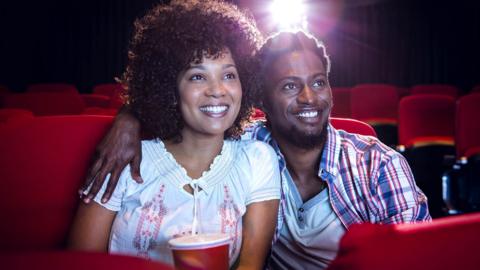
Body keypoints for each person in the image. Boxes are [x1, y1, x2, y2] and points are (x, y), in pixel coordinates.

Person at [80, 30, 431, 269]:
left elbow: (418, 260)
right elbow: (195, 118)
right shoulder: (245, 148)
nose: (309, 98)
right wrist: (129, 116)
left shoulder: (378, 164)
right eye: (290, 86)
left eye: (318, 83)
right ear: (260, 98)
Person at [68, 1, 281, 269]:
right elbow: (79, 262)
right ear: (168, 86)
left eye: (229, 75)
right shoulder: (125, 157)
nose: (217, 90)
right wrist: (129, 116)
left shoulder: (256, 159)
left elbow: (251, 264)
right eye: (197, 77)